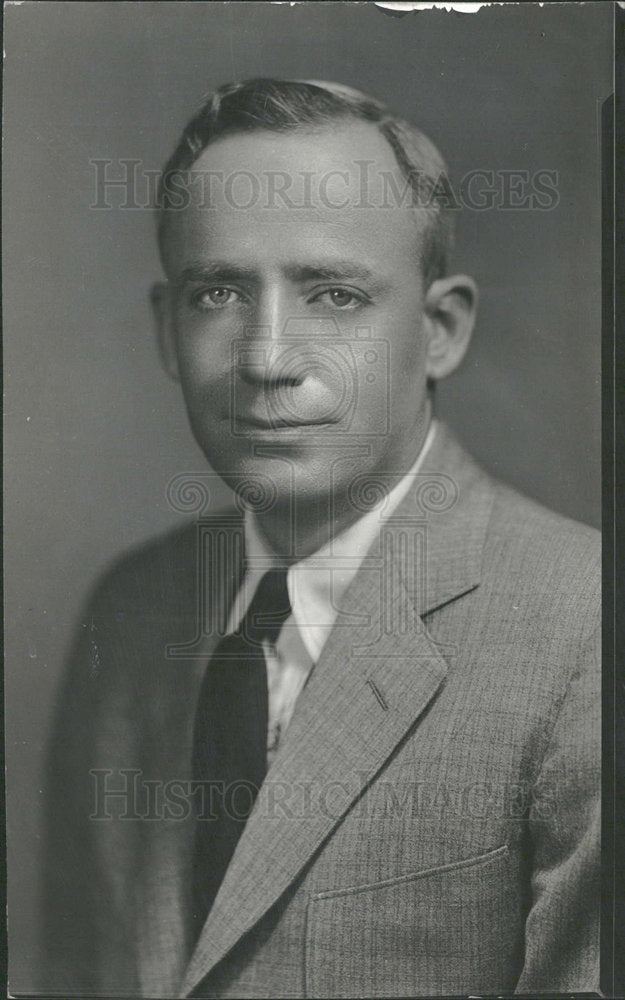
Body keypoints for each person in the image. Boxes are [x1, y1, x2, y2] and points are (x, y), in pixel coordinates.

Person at [43, 79, 600, 998]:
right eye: (217, 292)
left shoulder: (584, 633)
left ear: (439, 331)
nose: (267, 359)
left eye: (334, 297)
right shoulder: (133, 608)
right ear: (165, 332)